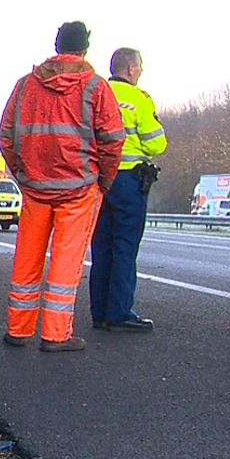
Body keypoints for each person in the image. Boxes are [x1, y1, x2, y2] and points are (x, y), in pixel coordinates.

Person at [0, 21, 125, 352]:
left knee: (27, 258)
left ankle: (18, 329)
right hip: (79, 188)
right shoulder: (95, 87)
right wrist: (105, 180)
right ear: (85, 47)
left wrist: (22, 173)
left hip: (36, 187)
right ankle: (56, 335)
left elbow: (6, 134)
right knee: (66, 263)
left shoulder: (26, 85)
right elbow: (112, 139)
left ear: (57, 44)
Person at [89, 48, 167, 332]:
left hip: (97, 180)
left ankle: (99, 312)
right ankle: (119, 312)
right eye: (141, 67)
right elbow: (157, 143)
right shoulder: (139, 99)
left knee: (101, 246)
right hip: (128, 182)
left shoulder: (95, 92)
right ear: (132, 68)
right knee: (124, 247)